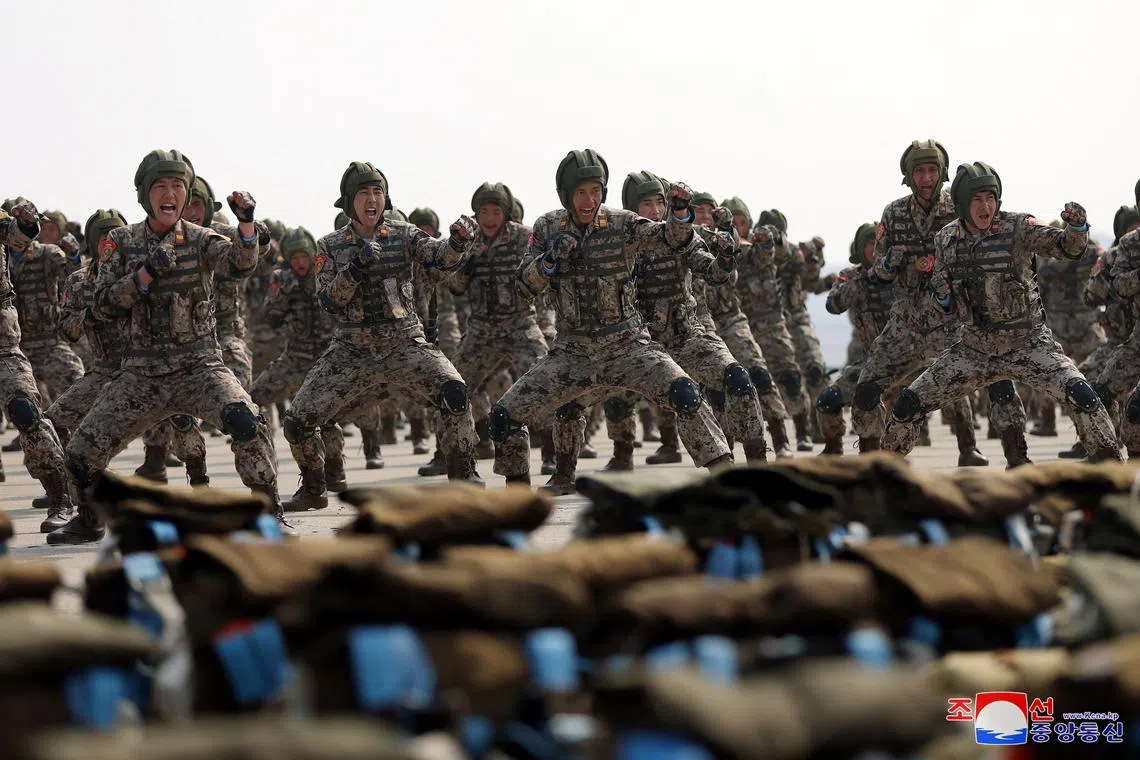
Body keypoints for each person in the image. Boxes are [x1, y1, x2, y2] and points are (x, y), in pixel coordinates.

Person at [49, 149, 285, 545]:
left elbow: (239, 264)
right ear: (145, 194)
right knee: (79, 454)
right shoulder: (121, 243)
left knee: (248, 422)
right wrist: (142, 276)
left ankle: (270, 515)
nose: (170, 193)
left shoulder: (201, 239)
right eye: (161, 185)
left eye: (178, 185)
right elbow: (103, 301)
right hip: (141, 373)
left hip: (200, 368)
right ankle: (89, 518)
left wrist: (246, 226)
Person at [488, 148, 731, 490]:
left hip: (628, 345)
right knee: (504, 416)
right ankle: (523, 498)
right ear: (566, 194)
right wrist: (548, 262)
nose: (589, 201)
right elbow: (524, 286)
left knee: (686, 395)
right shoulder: (546, 227)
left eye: (596, 191)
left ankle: (726, 479)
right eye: (581, 192)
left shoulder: (622, 224)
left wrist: (678, 213)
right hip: (571, 352)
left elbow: (668, 238)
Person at [880, 161, 1121, 463]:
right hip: (974, 349)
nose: (985, 206)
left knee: (1083, 397)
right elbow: (947, 305)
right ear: (961, 204)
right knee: (906, 405)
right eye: (977, 200)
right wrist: (942, 297)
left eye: (990, 198)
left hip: (1029, 344)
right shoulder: (946, 240)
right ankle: (882, 472)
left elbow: (1067, 248)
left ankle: (1113, 467)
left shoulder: (1018, 227)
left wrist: (1076, 227)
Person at [280, 161, 482, 505]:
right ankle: (314, 488)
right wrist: (354, 269)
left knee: (455, 394)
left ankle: (463, 477)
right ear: (349, 201)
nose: (372, 199)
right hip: (351, 348)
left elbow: (439, 258)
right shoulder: (330, 245)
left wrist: (459, 242)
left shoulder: (404, 234)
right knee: (298, 421)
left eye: (377, 192)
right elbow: (329, 300)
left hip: (404, 341)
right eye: (363, 193)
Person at [854, 139, 1021, 466]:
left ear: (942, 173)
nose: (926, 178)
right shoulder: (894, 212)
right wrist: (892, 262)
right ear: (909, 175)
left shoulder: (959, 208)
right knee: (868, 384)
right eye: (920, 171)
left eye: (932, 170)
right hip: (906, 321)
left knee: (978, 380)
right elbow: (880, 269)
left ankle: (991, 451)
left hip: (951, 316)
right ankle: (869, 459)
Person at [816, 222, 897, 454]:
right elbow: (833, 304)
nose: (875, 250)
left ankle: (968, 447)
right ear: (861, 249)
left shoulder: (901, 272)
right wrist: (863, 279)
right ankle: (837, 449)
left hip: (907, 359)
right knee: (827, 401)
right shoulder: (850, 276)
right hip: (871, 362)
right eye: (870, 244)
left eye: (879, 244)